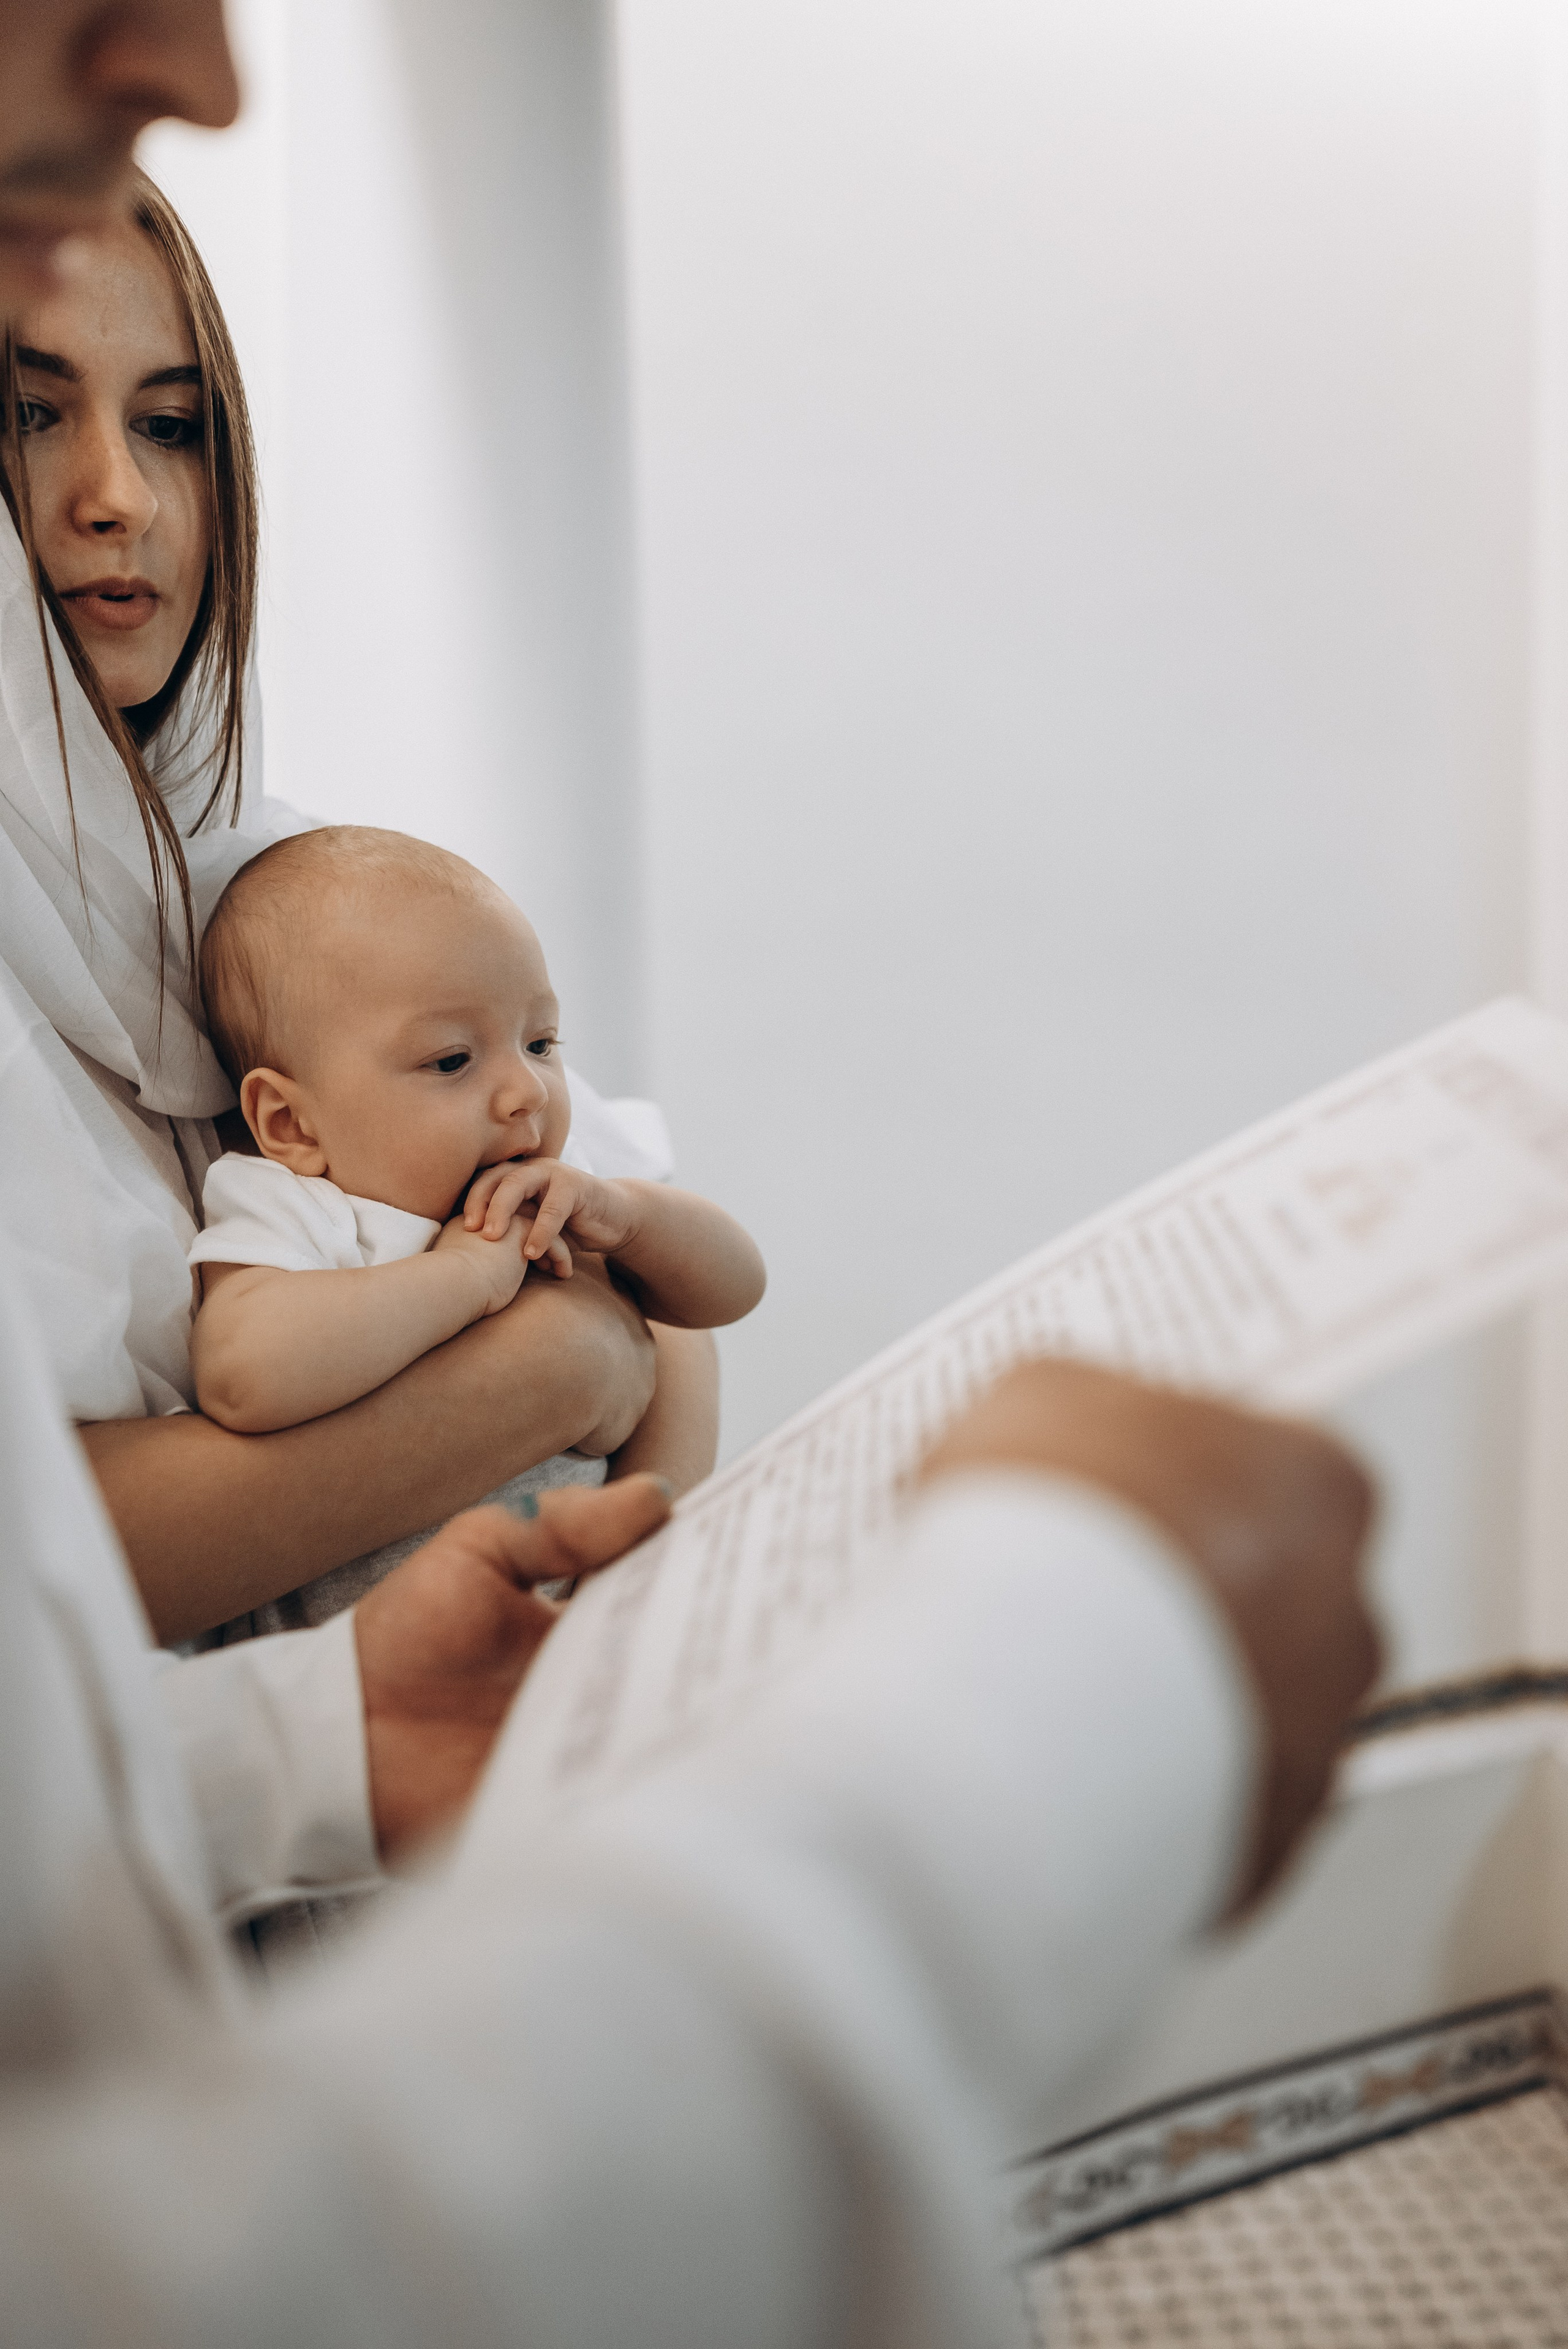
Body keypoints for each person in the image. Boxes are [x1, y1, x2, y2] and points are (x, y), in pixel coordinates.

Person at [0, 9, 1383, 2340]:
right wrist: (1057, 1672)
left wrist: (322, 1736)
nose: (200, 63)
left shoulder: (232, 893)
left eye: (177, 422)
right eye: (33, 407)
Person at [0, 178, 715, 1646]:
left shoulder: (301, 883)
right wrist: (561, 1364)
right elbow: (50, 1565)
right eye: (29, 412)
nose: (117, 499)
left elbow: (673, 1276)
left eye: (170, 425)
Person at [182, 824, 764, 1625]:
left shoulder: (551, 1188)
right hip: (402, 1661)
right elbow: (244, 1374)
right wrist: (461, 1279)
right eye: (452, 1061)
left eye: (541, 1042)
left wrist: (631, 1220)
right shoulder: (300, 1208)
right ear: (292, 1123)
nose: (526, 1089)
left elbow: (734, 1291)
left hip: (599, 1614)